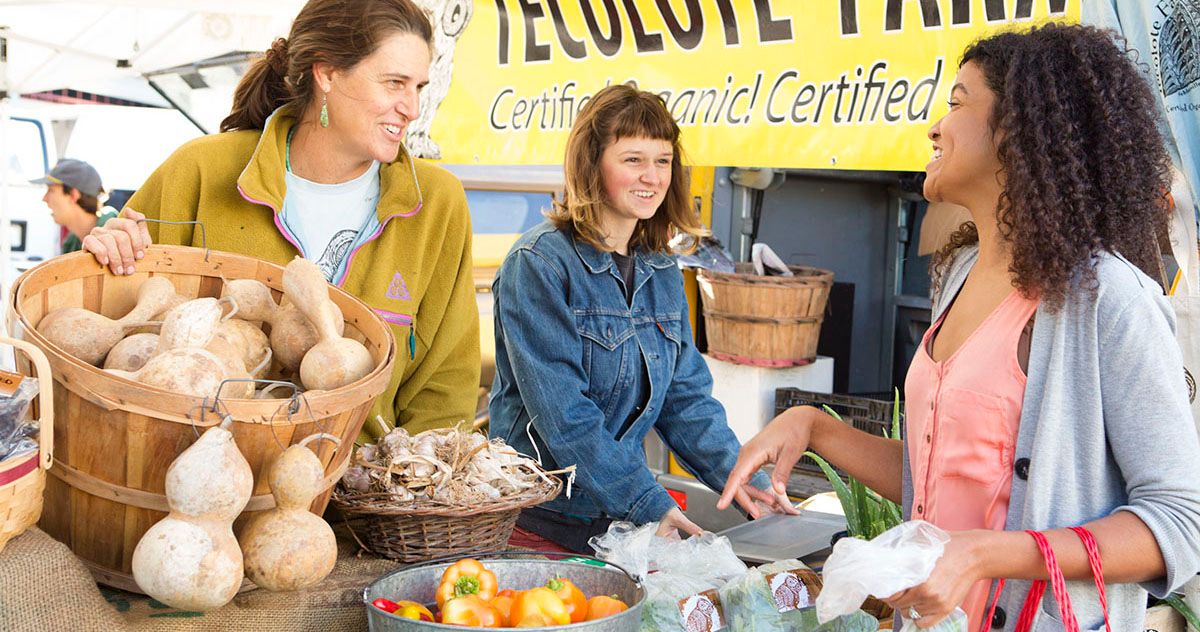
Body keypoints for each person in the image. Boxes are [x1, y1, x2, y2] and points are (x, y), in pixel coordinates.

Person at [719, 23, 1200, 631]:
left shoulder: (1108, 300)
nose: (934, 126)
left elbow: (1180, 523)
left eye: (957, 102)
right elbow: (947, 470)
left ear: (1021, 133)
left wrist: (982, 554)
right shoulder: (960, 273)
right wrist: (814, 427)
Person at [81, 0, 479, 437]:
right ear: (326, 74)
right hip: (195, 478)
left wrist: (411, 488)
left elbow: (446, 380)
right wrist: (109, 252)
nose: (413, 108)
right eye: (394, 83)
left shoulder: (438, 202)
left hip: (366, 490)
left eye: (418, 87)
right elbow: (115, 328)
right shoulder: (200, 169)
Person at [488, 85, 795, 554]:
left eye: (663, 160)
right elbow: (565, 416)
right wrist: (645, 500)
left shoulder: (660, 267)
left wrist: (744, 478)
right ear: (592, 164)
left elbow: (685, 399)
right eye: (633, 159)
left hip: (616, 522)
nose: (651, 177)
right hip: (538, 520)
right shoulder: (540, 264)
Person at [31, 158, 118, 254]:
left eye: (51, 190)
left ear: (73, 195)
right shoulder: (70, 244)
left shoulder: (115, 238)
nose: (44, 198)